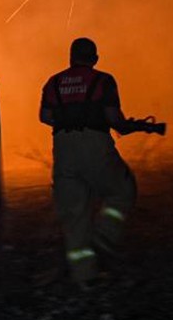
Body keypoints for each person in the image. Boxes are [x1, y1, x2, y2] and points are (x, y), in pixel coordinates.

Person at [40, 37, 154, 286]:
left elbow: (45, 116)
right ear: (95, 58)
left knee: (74, 211)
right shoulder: (103, 80)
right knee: (122, 189)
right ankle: (104, 237)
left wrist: (68, 120)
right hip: (95, 144)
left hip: (63, 148)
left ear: (70, 57)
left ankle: (85, 276)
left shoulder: (54, 82)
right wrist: (133, 127)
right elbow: (114, 118)